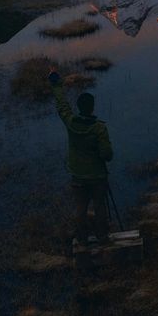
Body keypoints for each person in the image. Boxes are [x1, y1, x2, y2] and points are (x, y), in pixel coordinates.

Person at [48, 69, 113, 244]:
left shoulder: (71, 122)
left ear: (79, 107)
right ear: (92, 107)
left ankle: (82, 239)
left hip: (77, 174)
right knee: (100, 207)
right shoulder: (99, 128)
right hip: (97, 175)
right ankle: (103, 237)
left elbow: (62, 105)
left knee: (80, 209)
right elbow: (107, 155)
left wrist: (56, 85)